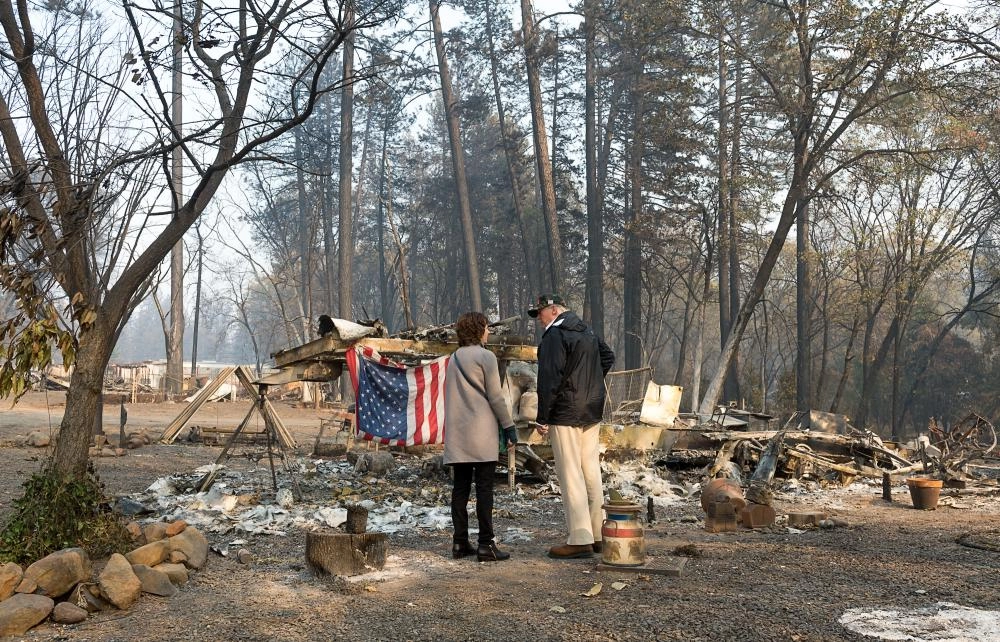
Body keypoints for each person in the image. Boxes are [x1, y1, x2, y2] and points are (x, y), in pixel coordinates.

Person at [527, 294, 615, 559]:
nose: (538, 318)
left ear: (554, 310)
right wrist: (590, 384)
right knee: (591, 472)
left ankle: (579, 539)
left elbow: (549, 379)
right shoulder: (586, 330)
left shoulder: (555, 335)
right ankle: (598, 534)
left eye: (540, 312)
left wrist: (542, 416)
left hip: (565, 411)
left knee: (570, 473)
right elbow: (608, 356)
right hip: (591, 409)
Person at [443, 311, 518, 562]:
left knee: (460, 490)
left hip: (457, 434)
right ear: (478, 330)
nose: (488, 332)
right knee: (484, 490)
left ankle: (459, 542)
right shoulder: (486, 357)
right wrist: (508, 426)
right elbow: (495, 397)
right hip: (481, 433)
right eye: (486, 328)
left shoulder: (453, 358)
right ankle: (486, 544)